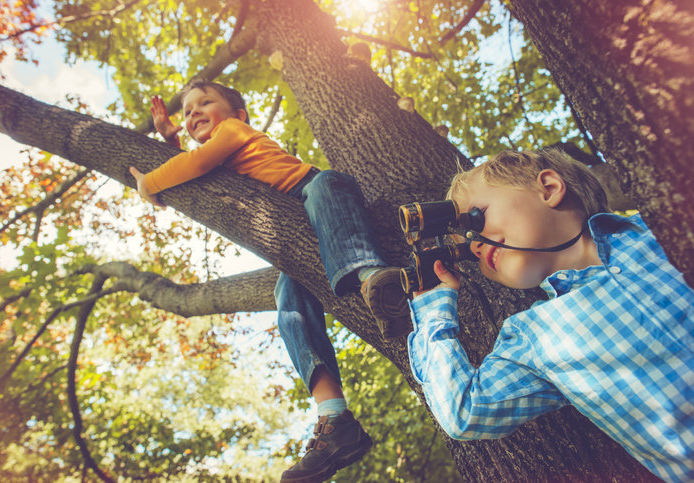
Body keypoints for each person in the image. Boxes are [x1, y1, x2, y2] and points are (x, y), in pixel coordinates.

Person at [129, 80, 411, 482]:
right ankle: (335, 419)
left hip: (313, 193)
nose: (192, 114)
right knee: (289, 298)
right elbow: (196, 170)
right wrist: (171, 140)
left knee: (327, 183)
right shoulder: (220, 155)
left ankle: (376, 281)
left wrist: (148, 182)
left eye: (203, 103)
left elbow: (196, 165)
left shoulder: (234, 132)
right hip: (299, 228)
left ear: (239, 116)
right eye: (187, 112)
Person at [407, 149, 694, 483]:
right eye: (468, 248)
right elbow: (464, 411)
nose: (476, 246)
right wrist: (433, 310)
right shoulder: (532, 336)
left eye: (476, 219)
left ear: (548, 188)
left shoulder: (660, 229)